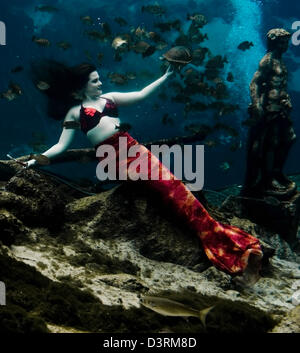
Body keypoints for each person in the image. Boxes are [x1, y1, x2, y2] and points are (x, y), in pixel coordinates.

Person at [26, 59, 263, 282]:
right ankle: (216, 238)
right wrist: (38, 159)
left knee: (176, 192)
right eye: (95, 81)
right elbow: (60, 145)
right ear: (81, 86)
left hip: (135, 151)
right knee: (170, 190)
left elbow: (140, 94)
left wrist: (166, 76)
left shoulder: (109, 98)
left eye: (99, 79)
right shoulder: (74, 112)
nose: (100, 83)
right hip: (113, 161)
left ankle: (218, 237)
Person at [242, 28, 297, 198]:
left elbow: (280, 85)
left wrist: (286, 98)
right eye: (282, 42)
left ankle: (276, 172)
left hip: (281, 109)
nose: (285, 45)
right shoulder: (268, 61)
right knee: (270, 144)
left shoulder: (280, 61)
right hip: (269, 110)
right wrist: (257, 105)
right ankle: (266, 180)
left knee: (289, 138)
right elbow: (255, 83)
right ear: (274, 43)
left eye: (286, 42)